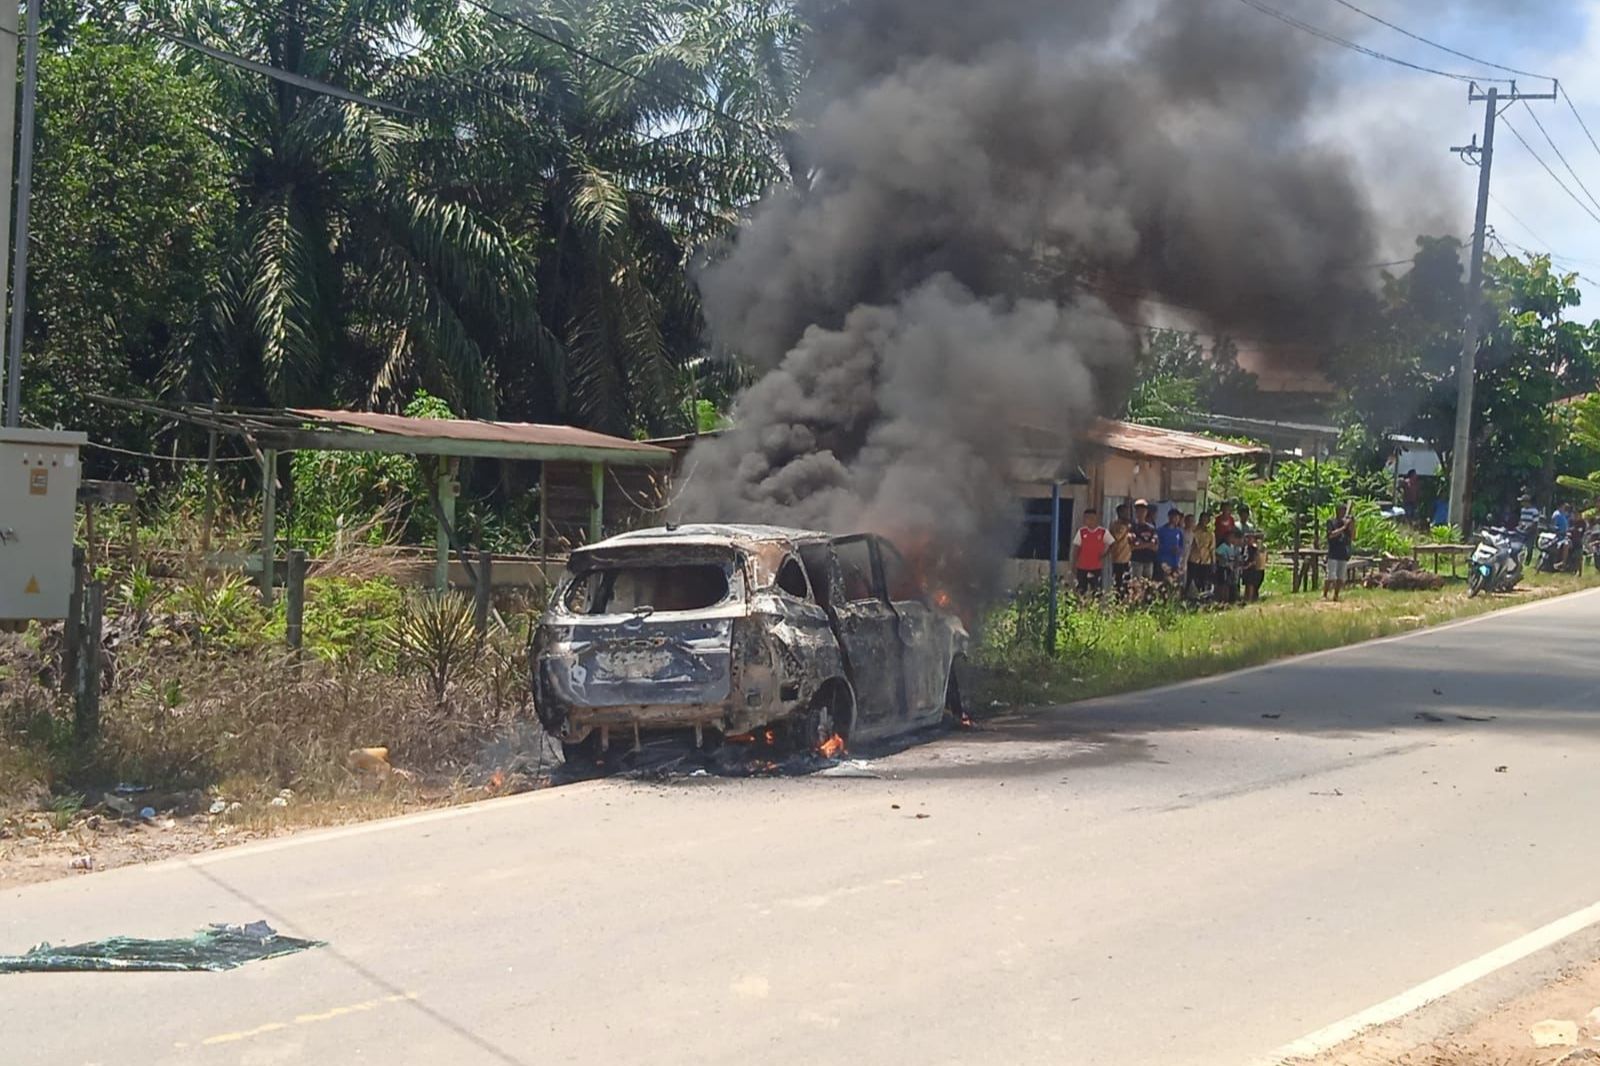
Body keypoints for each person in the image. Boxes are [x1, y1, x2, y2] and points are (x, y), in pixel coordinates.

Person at [1070, 509, 1110, 598]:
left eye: (1090, 518)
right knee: (1081, 589)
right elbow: (1076, 548)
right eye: (1086, 518)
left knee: (1096, 590)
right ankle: (1081, 608)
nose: (1087, 520)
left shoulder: (1103, 532)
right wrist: (1074, 563)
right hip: (1082, 566)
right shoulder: (1081, 532)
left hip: (1096, 566)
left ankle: (1095, 608)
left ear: (1095, 519)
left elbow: (1112, 544)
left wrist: (1105, 554)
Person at [1325, 502, 1354, 602]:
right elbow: (1331, 535)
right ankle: (1325, 594)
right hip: (1333, 553)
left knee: (1340, 577)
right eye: (1342, 510)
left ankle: (1336, 596)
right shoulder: (1331, 522)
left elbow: (1353, 537)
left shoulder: (1346, 524)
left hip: (1343, 553)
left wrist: (1352, 525)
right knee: (1331, 576)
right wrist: (1343, 527)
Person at [1130, 500, 1160, 582]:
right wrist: (1149, 544)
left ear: (1147, 512)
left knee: (1147, 585)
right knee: (1136, 584)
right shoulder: (1132, 527)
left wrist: (1142, 544)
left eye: (1143, 511)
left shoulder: (1151, 528)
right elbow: (1133, 546)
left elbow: (1156, 547)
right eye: (1139, 511)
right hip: (1136, 560)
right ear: (1136, 512)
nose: (1141, 513)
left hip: (1149, 560)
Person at [1189, 510, 1216, 599]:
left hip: (1206, 561)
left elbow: (1212, 549)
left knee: (1204, 581)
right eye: (1202, 519)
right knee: (1193, 580)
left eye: (1206, 520)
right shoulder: (1194, 531)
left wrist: (1213, 563)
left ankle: (1203, 599)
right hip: (1194, 559)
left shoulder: (1211, 534)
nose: (1204, 521)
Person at [1157, 509, 1186, 585]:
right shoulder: (1160, 530)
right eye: (1174, 517)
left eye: (1178, 517)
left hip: (1175, 562)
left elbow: (1182, 547)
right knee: (1164, 583)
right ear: (1169, 517)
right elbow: (1157, 545)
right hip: (1163, 561)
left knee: (1174, 584)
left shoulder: (1179, 531)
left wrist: (1179, 550)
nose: (1177, 519)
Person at [1109, 504, 1133, 595]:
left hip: (1128, 558)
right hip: (1118, 559)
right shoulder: (1116, 525)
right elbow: (1117, 537)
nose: (1127, 514)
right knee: (1118, 584)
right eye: (1125, 512)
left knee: (1127, 584)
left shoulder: (1129, 525)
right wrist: (1126, 528)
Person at [1214, 529, 1241, 605]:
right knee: (1223, 584)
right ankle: (1222, 600)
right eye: (1230, 537)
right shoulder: (1223, 546)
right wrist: (1222, 559)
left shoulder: (1233, 547)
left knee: (1229, 584)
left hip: (1231, 568)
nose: (1231, 539)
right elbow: (1216, 554)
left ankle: (1228, 599)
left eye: (1233, 537)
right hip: (1223, 568)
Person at [1242, 531, 1267, 604]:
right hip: (1248, 569)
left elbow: (1258, 558)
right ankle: (1247, 599)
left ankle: (1251, 599)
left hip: (1255, 569)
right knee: (1248, 585)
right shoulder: (1247, 548)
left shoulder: (1257, 548)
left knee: (1253, 585)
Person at [1179, 513, 1197, 592]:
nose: (1191, 523)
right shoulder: (1180, 532)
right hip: (1178, 560)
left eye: (1193, 521)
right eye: (1189, 521)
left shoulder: (1193, 534)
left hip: (1185, 562)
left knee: (1183, 582)